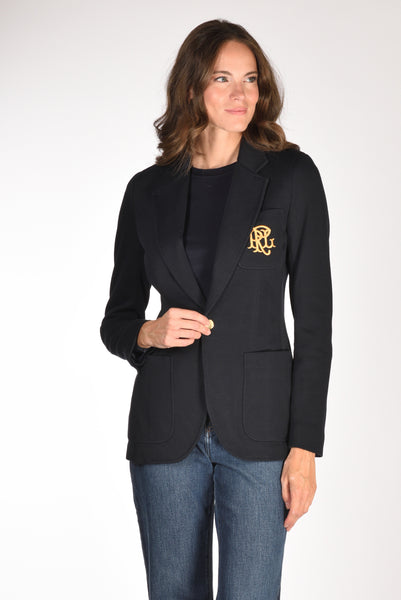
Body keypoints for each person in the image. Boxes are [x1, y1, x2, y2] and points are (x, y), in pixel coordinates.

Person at [100, 18, 332, 600]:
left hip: (260, 435)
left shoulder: (291, 177)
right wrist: (149, 332)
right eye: (222, 78)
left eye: (250, 79)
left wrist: (304, 448)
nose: (240, 94)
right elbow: (117, 319)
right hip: (165, 430)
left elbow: (315, 322)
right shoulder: (146, 190)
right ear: (191, 88)